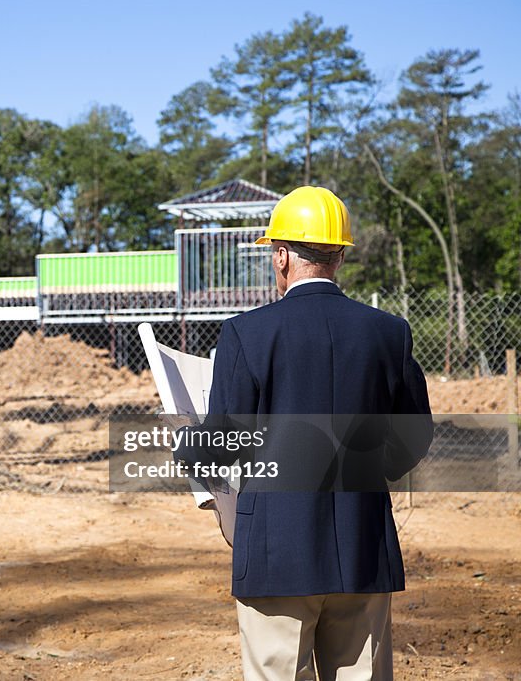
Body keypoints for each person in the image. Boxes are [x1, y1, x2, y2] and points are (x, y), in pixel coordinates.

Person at [178, 186, 433, 680]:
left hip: (277, 557)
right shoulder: (388, 332)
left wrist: (186, 444)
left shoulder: (246, 333)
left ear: (280, 256)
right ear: (339, 254)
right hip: (362, 548)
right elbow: (414, 435)